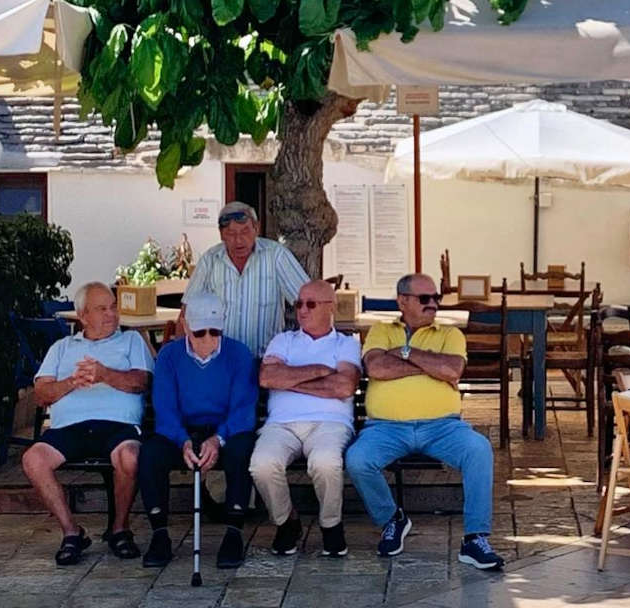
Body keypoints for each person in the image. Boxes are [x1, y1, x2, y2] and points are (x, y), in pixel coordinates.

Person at [345, 274, 504, 570]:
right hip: (386, 427)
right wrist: (430, 366)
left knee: (479, 449)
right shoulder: (381, 330)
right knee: (357, 459)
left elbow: (452, 369)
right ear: (402, 301)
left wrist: (405, 353)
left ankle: (475, 539)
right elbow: (377, 367)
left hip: (442, 426)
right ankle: (392, 519)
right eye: (424, 299)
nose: (433, 304)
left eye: (436, 298)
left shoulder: (450, 334)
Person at [22, 282, 154, 566]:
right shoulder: (62, 348)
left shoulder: (130, 341)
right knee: (33, 459)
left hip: (118, 426)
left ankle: (120, 529)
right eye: (102, 309)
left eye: (113, 307)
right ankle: (72, 533)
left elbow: (142, 382)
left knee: (130, 458)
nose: (112, 314)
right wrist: (73, 382)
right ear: (83, 316)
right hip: (69, 428)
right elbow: (41, 395)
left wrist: (104, 374)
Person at [138, 293, 257, 569]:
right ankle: (159, 533)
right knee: (150, 454)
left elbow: (243, 409)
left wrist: (218, 439)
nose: (208, 339)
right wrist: (183, 442)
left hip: (224, 430)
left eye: (215, 331)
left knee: (241, 450)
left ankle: (234, 532)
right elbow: (165, 409)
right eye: (200, 332)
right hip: (183, 432)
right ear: (187, 328)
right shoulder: (170, 355)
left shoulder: (238, 353)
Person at [249, 280, 361, 557]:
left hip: (330, 424)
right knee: (261, 464)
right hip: (281, 425)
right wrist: (320, 370)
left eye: (310, 304)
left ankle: (331, 525)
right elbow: (267, 377)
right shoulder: (283, 340)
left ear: (331, 307)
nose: (302, 310)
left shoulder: (346, 344)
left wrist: (290, 380)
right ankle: (286, 522)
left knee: (325, 462)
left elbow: (344, 387)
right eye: (298, 303)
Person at [183, 201, 309, 357]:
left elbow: (309, 301)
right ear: (221, 234)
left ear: (256, 229)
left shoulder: (276, 255)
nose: (239, 240)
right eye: (231, 233)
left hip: (265, 361)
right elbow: (187, 312)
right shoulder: (210, 260)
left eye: (245, 232)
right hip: (219, 361)